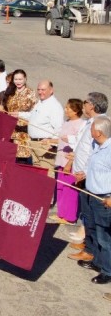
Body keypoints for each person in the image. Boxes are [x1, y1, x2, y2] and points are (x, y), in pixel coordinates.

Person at [67, 92, 109, 261]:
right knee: (87, 214)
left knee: (92, 218)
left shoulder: (101, 125)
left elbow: (96, 153)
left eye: (85, 103)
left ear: (92, 105)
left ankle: (91, 251)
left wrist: (84, 172)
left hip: (90, 179)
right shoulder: (91, 122)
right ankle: (88, 244)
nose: (83, 105)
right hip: (84, 174)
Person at [72, 116, 111, 285]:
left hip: (104, 199)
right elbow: (95, 167)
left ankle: (107, 271)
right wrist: (85, 174)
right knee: (93, 229)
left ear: (99, 132)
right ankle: (97, 261)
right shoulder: (97, 145)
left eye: (92, 128)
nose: (90, 131)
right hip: (91, 193)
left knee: (104, 237)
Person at [49, 98, 84, 224]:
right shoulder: (67, 122)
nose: (66, 110)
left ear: (75, 110)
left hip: (69, 162)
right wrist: (50, 141)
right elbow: (61, 139)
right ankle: (61, 214)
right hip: (61, 159)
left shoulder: (80, 125)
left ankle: (69, 217)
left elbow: (78, 145)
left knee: (70, 190)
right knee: (61, 188)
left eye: (68, 108)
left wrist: (69, 163)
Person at [15, 80, 63, 170]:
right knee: (37, 172)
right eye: (39, 90)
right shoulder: (41, 102)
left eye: (43, 90)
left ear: (51, 90)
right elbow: (32, 116)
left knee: (47, 172)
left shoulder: (55, 106)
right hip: (34, 143)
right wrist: (18, 114)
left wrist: (52, 144)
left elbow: (59, 128)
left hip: (45, 145)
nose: (40, 92)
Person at [0, 69, 36, 163]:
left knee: (20, 160)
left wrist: (20, 115)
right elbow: (5, 107)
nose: (18, 82)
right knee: (6, 158)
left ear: (25, 79)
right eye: (16, 79)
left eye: (20, 79)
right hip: (8, 129)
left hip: (22, 132)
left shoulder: (30, 93)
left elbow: (34, 113)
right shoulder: (10, 91)